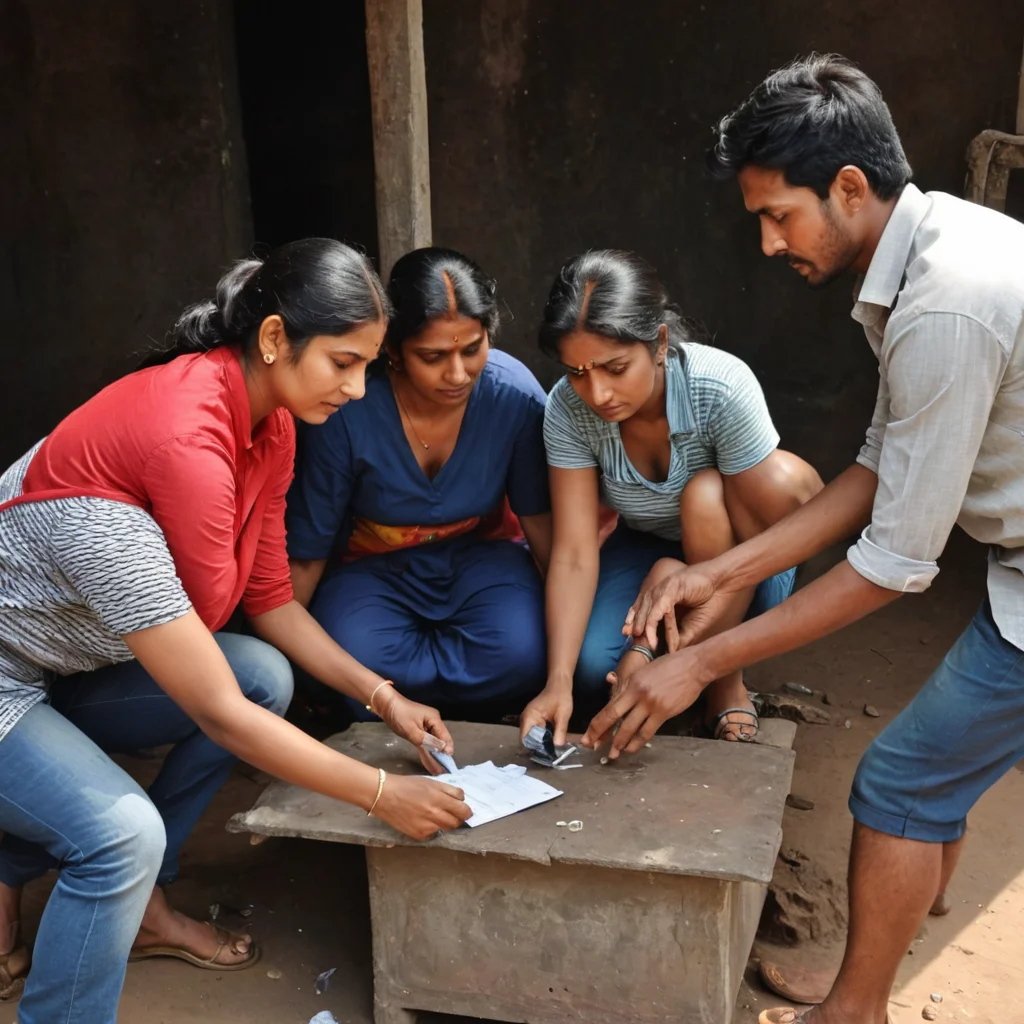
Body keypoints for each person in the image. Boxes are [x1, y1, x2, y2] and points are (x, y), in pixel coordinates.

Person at [592, 55, 1024, 1024]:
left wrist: (698, 661)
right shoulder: (934, 249)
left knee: (900, 786)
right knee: (940, 769)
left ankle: (852, 1011)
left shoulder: (944, 303)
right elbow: (877, 464)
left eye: (778, 214)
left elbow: (893, 564)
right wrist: (720, 571)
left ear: (850, 187)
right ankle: (881, 956)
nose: (767, 241)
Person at [0, 239, 471, 1024]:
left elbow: (271, 600)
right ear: (276, 337)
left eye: (367, 366)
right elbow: (218, 714)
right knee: (121, 837)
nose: (358, 389)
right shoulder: (180, 443)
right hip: (9, 682)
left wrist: (382, 697)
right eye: (343, 363)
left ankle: (135, 905)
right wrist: (382, 794)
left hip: (60, 666)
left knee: (262, 674)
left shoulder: (267, 424)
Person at [519, 250, 822, 746]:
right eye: (577, 371)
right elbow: (573, 552)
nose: (598, 393)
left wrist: (647, 650)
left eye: (615, 368)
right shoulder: (568, 408)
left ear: (659, 343)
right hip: (647, 541)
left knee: (705, 493)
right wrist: (559, 682)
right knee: (594, 666)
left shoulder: (718, 386)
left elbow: (756, 533)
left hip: (746, 554)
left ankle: (725, 683)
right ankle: (667, 591)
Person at [287, 247, 551, 719]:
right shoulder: (348, 407)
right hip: (371, 570)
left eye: (472, 349)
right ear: (392, 349)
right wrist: (288, 669)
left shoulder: (514, 397)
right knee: (353, 664)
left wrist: (568, 664)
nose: (458, 374)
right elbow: (309, 548)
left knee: (522, 654)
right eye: (432, 356)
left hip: (482, 560)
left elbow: (543, 528)